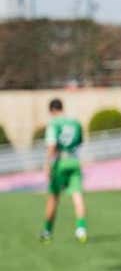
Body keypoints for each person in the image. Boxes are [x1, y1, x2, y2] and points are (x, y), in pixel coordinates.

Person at [39, 98, 87, 244]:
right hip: (74, 161)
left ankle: (47, 231)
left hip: (60, 162)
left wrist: (47, 164)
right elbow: (79, 142)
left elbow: (52, 145)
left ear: (52, 110)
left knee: (53, 197)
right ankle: (81, 229)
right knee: (77, 195)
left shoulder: (54, 123)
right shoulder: (75, 122)